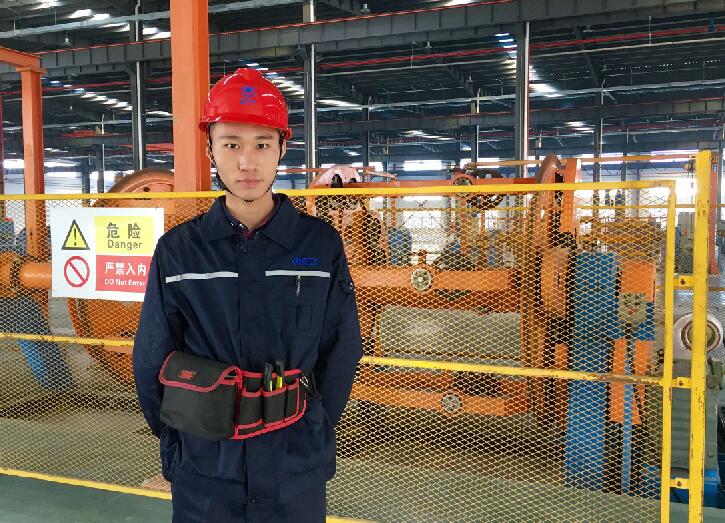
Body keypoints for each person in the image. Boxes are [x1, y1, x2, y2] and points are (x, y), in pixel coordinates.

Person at [132, 68, 363, 523]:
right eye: (231, 145)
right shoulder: (179, 252)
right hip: (206, 470)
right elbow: (152, 357)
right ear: (210, 150)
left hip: (294, 468)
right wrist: (182, 439)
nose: (247, 163)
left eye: (261, 145)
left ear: (282, 148)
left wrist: (312, 423)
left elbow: (341, 349)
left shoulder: (319, 246)